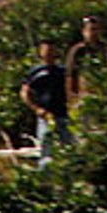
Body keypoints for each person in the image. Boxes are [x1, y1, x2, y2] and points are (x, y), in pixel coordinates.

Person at [19, 38, 70, 166]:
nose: (49, 53)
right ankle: (45, 174)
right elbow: (24, 93)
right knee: (46, 150)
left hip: (64, 114)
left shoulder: (63, 71)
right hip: (45, 116)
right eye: (46, 50)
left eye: (52, 50)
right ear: (40, 52)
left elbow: (75, 89)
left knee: (68, 148)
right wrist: (36, 109)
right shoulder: (35, 72)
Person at [65, 15, 107, 107]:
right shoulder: (78, 51)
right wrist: (72, 99)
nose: (94, 33)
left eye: (96, 29)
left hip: (103, 94)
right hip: (84, 95)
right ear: (84, 32)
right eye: (91, 30)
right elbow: (70, 75)